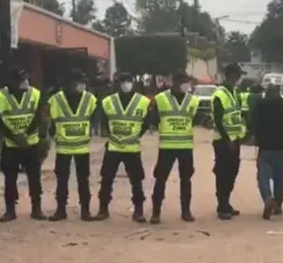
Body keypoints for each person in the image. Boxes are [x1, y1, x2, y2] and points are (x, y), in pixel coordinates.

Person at [0, 67, 45, 222]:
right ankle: (10, 210)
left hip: (31, 143)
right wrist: (14, 136)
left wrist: (26, 135)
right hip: (10, 144)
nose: (25, 82)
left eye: (26, 79)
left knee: (34, 177)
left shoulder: (35, 94)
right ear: (11, 81)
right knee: (10, 178)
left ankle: (37, 208)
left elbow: (39, 117)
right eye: (21, 80)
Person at [98, 72, 152, 223]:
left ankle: (139, 211)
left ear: (133, 83)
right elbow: (104, 121)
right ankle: (103, 209)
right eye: (123, 81)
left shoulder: (143, 101)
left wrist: (137, 135)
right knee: (106, 178)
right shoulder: (109, 101)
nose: (126, 84)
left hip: (132, 147)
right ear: (118, 84)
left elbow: (147, 122)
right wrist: (110, 135)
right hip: (114, 146)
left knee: (136, 180)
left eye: (128, 81)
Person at [47, 69, 98, 221]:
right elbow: (50, 121)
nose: (81, 85)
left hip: (83, 147)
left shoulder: (90, 99)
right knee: (62, 179)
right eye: (77, 82)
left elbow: (94, 118)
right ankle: (60, 209)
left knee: (84, 179)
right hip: (63, 147)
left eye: (82, 82)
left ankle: (86, 211)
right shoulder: (56, 99)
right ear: (68, 83)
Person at [151, 72, 199, 224]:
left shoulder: (193, 100)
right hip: (167, 146)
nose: (187, 85)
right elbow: (153, 119)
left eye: (188, 82)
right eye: (184, 82)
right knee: (160, 179)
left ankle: (186, 211)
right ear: (175, 82)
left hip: (185, 146)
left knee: (186, 179)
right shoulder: (160, 99)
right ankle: (156, 212)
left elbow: (194, 120)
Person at [253, 84, 283, 220]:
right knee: (279, 176)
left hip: (265, 146)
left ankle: (268, 197)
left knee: (263, 175)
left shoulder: (260, 105)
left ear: (267, 92)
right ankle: (278, 204)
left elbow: (252, 123)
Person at [212, 63, 246, 220]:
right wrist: (228, 140)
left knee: (233, 172)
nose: (239, 78)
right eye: (237, 75)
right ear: (230, 75)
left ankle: (226, 202)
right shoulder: (219, 94)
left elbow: (238, 116)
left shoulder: (235, 93)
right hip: (223, 141)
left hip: (235, 140)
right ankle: (222, 205)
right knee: (223, 173)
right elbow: (218, 121)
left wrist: (241, 135)